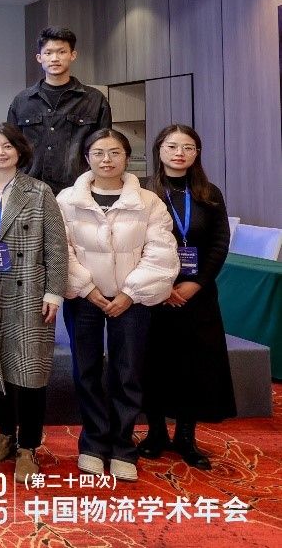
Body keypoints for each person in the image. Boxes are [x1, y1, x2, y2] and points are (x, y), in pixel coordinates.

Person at [59, 128, 178, 483]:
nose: (106, 160)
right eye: (98, 153)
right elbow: (60, 250)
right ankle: (93, 444)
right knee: (87, 370)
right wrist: (86, 287)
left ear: (127, 157)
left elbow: (161, 252)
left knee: (128, 372)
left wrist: (130, 292)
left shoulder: (149, 201)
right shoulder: (67, 200)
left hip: (133, 300)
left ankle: (123, 446)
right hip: (85, 298)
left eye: (114, 152)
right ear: (87, 158)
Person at [0, 123, 68, 484]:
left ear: (20, 151)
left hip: (29, 291)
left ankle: (28, 446)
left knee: (29, 371)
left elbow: (56, 247)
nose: (0, 153)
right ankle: (5, 434)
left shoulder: (39, 192)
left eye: (7, 146)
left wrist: (54, 292)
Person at [139, 125, 236, 470]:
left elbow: (219, 243)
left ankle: (185, 437)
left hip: (197, 295)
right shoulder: (143, 191)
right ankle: (155, 434)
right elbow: (134, 243)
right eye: (172, 146)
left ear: (197, 153)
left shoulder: (209, 193)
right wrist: (160, 285)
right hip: (153, 294)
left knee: (193, 365)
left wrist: (197, 283)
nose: (179, 153)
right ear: (159, 150)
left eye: (188, 147)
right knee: (154, 362)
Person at [7, 27, 112, 195]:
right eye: (48, 53)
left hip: (79, 190)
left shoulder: (94, 99)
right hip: (29, 190)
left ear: (73, 55)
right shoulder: (22, 101)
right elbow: (11, 147)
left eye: (61, 52)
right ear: (39, 58)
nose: (54, 58)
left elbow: (104, 147)